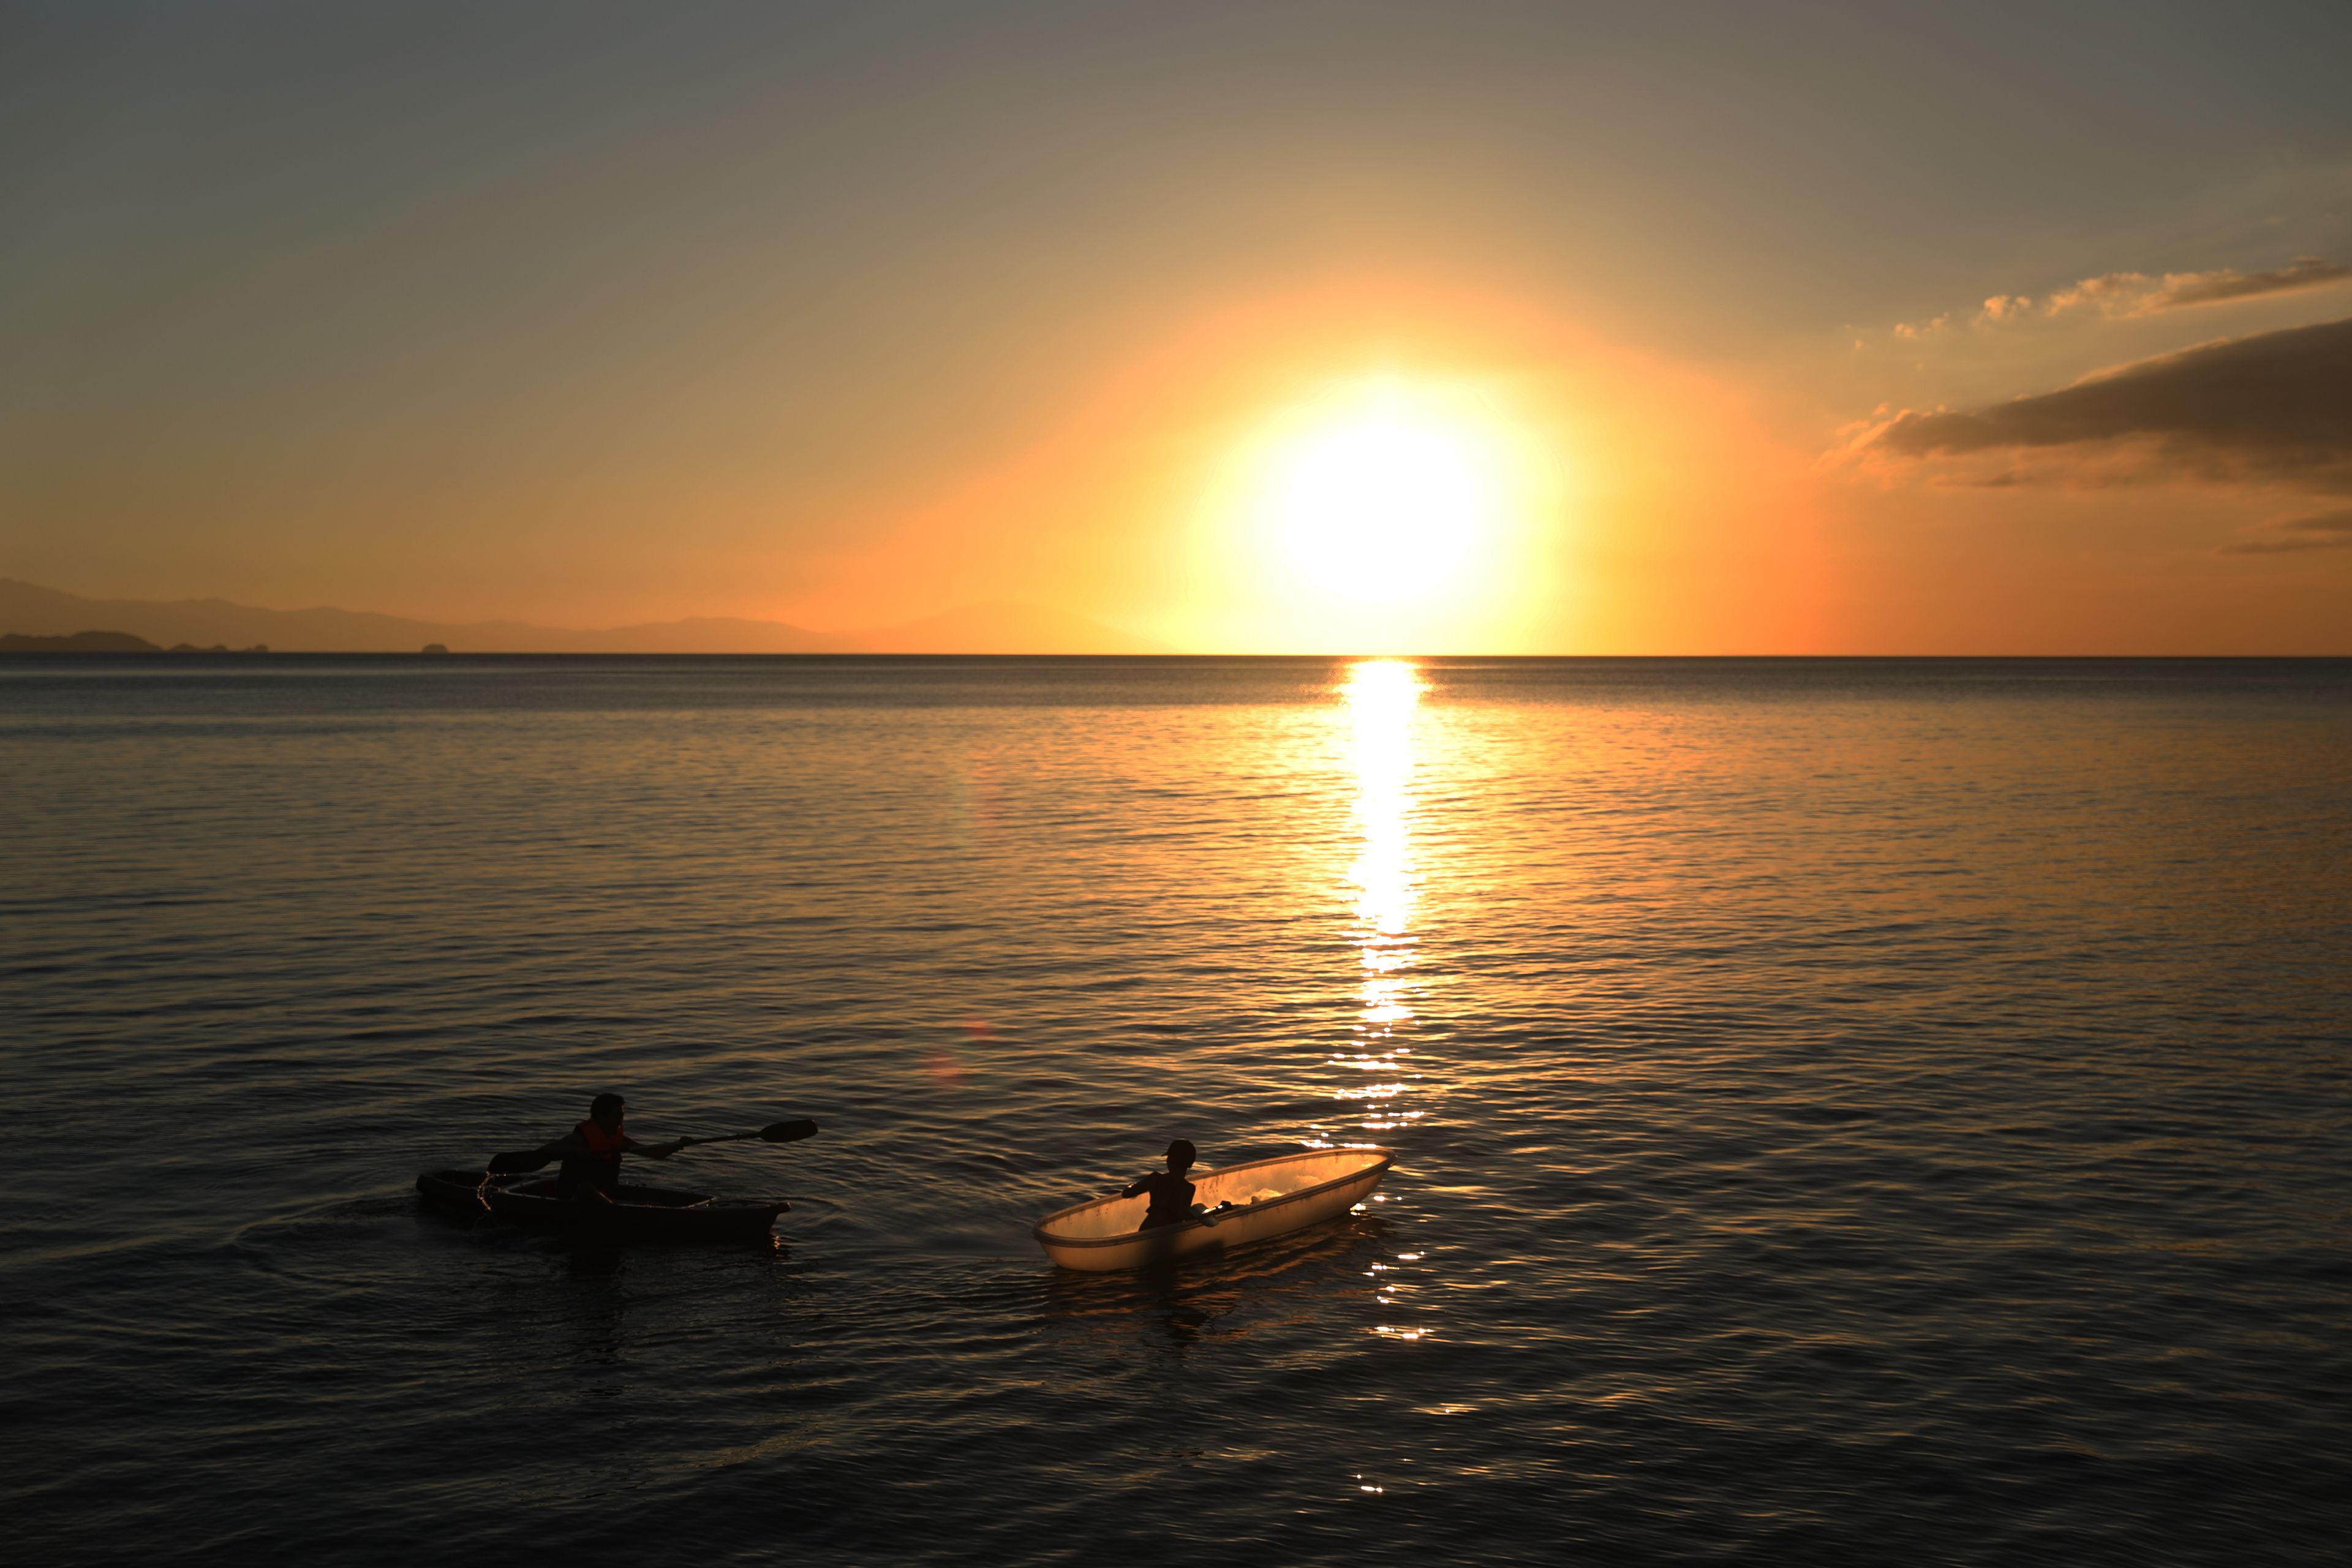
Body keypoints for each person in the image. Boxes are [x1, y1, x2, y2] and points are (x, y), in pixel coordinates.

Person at [526, 1093, 688, 1205]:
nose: (620, 1121)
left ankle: (615, 1207)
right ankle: (617, 1211)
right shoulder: (579, 1140)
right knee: (585, 1188)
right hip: (572, 1200)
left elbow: (654, 1152)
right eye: (616, 1116)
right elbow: (545, 1152)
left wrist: (678, 1145)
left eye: (622, 1116)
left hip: (605, 1198)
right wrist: (573, 1151)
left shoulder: (619, 1141)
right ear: (600, 1117)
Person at [1124, 1138, 1227, 1229]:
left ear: (1170, 1161)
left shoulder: (1155, 1179)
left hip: (1147, 1229)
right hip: (1169, 1234)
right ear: (1190, 1165)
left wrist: (1131, 1186)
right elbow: (1183, 1215)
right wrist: (1217, 1209)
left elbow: (1127, 1194)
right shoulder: (1187, 1188)